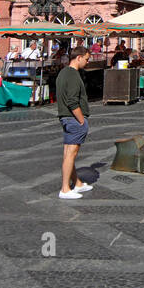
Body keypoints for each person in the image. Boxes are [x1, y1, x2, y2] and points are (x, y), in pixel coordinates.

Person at [56, 48, 94, 200]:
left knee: (68, 154)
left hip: (66, 117)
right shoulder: (72, 75)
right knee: (70, 155)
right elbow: (72, 101)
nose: (87, 61)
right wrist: (81, 120)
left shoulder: (63, 72)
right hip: (73, 118)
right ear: (78, 58)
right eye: (86, 58)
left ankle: (77, 183)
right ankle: (65, 189)